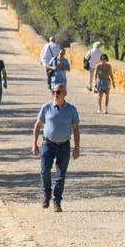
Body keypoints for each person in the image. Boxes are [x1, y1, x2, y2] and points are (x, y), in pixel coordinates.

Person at [32, 82, 81, 212]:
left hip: (64, 145)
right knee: (44, 171)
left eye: (58, 92)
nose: (55, 94)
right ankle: (46, 194)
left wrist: (77, 147)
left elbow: (76, 129)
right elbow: (38, 125)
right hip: (48, 144)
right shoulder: (46, 107)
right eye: (54, 92)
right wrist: (34, 143)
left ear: (64, 94)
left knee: (60, 175)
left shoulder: (71, 110)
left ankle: (57, 202)